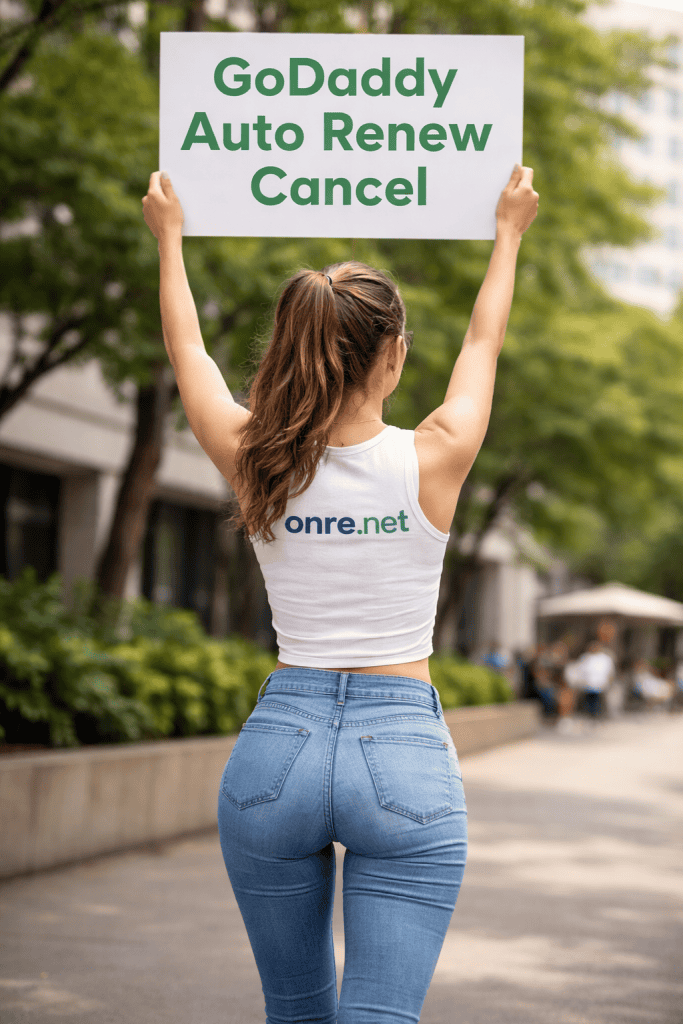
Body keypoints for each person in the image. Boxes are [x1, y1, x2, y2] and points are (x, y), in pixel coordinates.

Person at [142, 163, 538, 1024]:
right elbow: (481, 346)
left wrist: (169, 238)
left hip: (275, 749)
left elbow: (190, 355)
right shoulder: (434, 453)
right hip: (401, 748)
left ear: (288, 348)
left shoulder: (258, 454)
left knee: (295, 1011)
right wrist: (506, 234)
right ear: (393, 355)